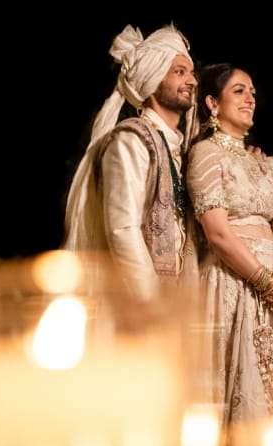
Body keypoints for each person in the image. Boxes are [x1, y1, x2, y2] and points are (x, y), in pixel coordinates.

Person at [186, 64, 273, 421]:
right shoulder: (206, 154)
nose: (250, 98)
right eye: (238, 91)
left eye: (251, 91)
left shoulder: (264, 164)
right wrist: (271, 286)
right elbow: (218, 234)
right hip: (236, 283)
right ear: (212, 103)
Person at [64, 25, 199, 322]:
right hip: (136, 310)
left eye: (191, 73)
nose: (192, 80)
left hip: (175, 305)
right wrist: (150, 301)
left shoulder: (177, 147)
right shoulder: (131, 140)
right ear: (153, 79)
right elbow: (122, 229)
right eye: (179, 72)